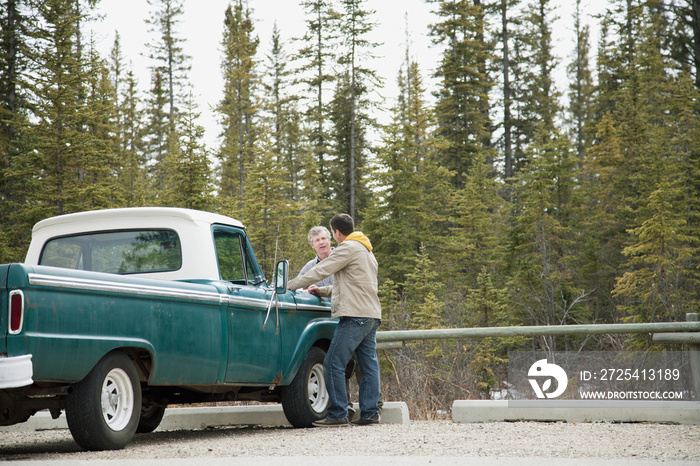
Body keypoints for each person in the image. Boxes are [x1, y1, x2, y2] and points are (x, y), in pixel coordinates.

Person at [287, 213, 382, 427]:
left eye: (330, 234)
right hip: (371, 315)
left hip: (355, 316)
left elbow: (322, 269)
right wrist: (320, 291)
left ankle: (338, 413)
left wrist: (290, 285)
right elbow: (350, 286)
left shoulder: (347, 248)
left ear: (337, 233)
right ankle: (370, 413)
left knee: (332, 363)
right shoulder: (367, 250)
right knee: (368, 366)